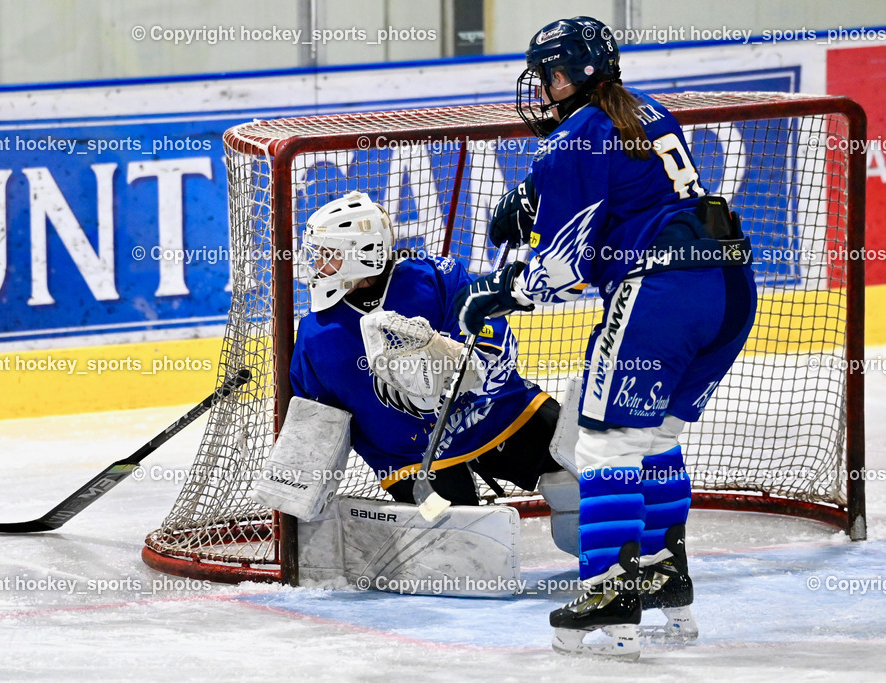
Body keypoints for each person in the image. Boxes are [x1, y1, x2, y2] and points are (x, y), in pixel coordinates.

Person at [453, 16, 757, 659]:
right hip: (729, 287)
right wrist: (535, 194)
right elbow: (629, 191)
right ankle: (664, 577)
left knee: (602, 447)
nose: (541, 88)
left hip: (662, 294)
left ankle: (610, 597)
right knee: (655, 439)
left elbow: (562, 269)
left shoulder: (571, 140)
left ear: (567, 75)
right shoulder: (646, 110)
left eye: (547, 76)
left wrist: (499, 294)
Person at [289, 190, 569, 514]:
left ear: (363, 253)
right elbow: (318, 420)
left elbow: (496, 350)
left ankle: (621, 553)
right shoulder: (316, 334)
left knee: (580, 458)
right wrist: (299, 483)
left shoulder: (436, 276)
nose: (317, 264)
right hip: (409, 458)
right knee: (459, 544)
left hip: (493, 413)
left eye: (328, 253)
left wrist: (451, 363)